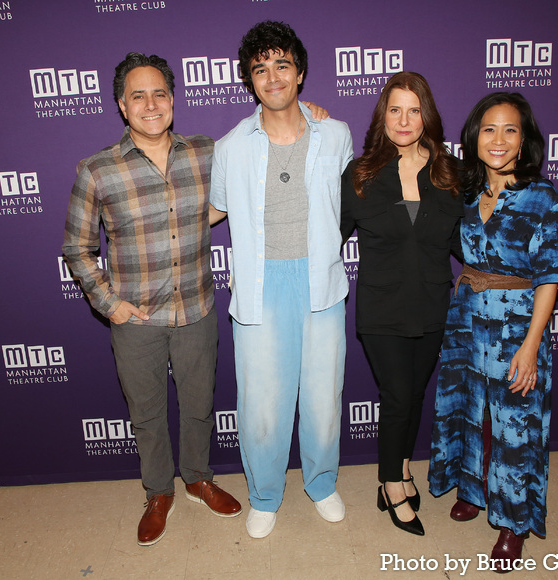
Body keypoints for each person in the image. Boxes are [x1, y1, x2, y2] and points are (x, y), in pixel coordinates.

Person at [62, 52, 242, 547]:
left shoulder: (206, 151)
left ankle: (198, 478)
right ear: (122, 105)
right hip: (136, 318)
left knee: (200, 404)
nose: (150, 103)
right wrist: (109, 303)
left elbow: (262, 138)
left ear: (173, 99)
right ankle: (158, 491)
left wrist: (308, 110)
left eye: (160, 92)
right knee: (146, 411)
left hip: (197, 309)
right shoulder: (97, 169)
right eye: (137, 95)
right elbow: (77, 248)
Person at [209, 21, 353, 539]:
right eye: (260, 69)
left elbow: (355, 200)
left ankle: (320, 483)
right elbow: (212, 211)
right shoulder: (230, 147)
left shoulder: (336, 134)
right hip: (260, 286)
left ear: (300, 73)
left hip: (322, 284)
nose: (272, 77)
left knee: (322, 395)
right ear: (251, 80)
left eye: (281, 65)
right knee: (263, 402)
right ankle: (265, 494)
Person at [428, 92, 558, 571]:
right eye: (489, 129)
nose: (498, 139)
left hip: (517, 327)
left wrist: (531, 348)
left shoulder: (542, 198)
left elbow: (551, 278)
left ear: (524, 139)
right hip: (467, 321)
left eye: (510, 129)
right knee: (470, 412)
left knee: (514, 428)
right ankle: (471, 489)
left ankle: (513, 522)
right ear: (473, 136)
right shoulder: (467, 193)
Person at [341, 72, 462, 536]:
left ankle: (402, 466)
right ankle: (391, 483)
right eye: (395, 109)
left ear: (426, 115)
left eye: (414, 109)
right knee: (395, 398)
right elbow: (328, 237)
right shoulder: (361, 174)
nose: (405, 119)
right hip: (382, 311)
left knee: (413, 396)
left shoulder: (449, 173)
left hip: (433, 306)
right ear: (383, 117)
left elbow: (461, 243)